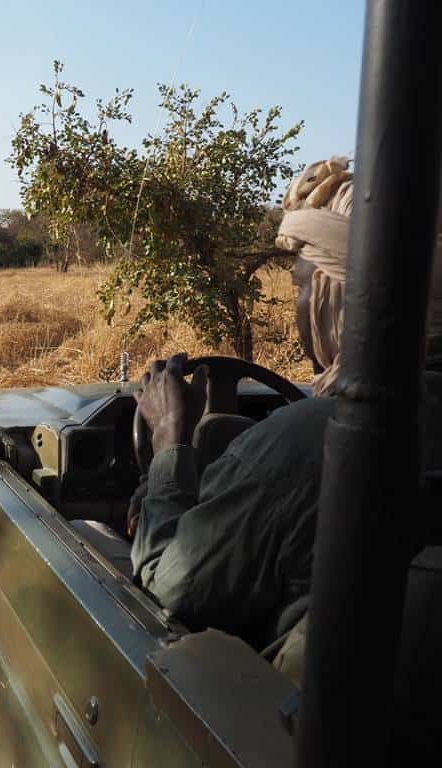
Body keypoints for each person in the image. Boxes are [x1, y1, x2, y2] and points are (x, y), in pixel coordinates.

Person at [129, 157, 442, 683]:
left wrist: (167, 447)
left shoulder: (312, 442)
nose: (295, 307)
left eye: (301, 286)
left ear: (340, 295)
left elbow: (168, 582)